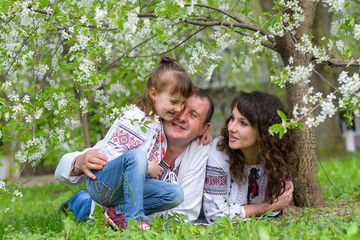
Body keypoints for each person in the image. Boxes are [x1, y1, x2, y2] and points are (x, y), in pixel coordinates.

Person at [60, 56, 193, 230]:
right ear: (153, 94)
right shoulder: (135, 118)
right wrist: (145, 167)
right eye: (174, 102)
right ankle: (134, 221)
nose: (178, 109)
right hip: (102, 182)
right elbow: (109, 153)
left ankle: (118, 214)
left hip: (123, 191)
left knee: (175, 194)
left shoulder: (158, 124)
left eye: (183, 103)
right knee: (137, 157)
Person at [55, 88, 214, 225]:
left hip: (119, 212)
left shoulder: (199, 150)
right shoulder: (142, 130)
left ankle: (116, 214)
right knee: (83, 203)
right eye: (179, 107)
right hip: (95, 208)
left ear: (203, 129)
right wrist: (79, 162)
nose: (181, 116)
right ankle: (77, 199)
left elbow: (186, 212)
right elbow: (63, 168)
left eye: (193, 115)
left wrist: (120, 213)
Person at [203, 91, 298, 224]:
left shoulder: (278, 157)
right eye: (232, 118)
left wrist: (269, 208)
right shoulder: (218, 152)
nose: (231, 127)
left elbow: (278, 207)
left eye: (243, 123)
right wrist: (266, 207)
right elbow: (215, 216)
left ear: (264, 131)